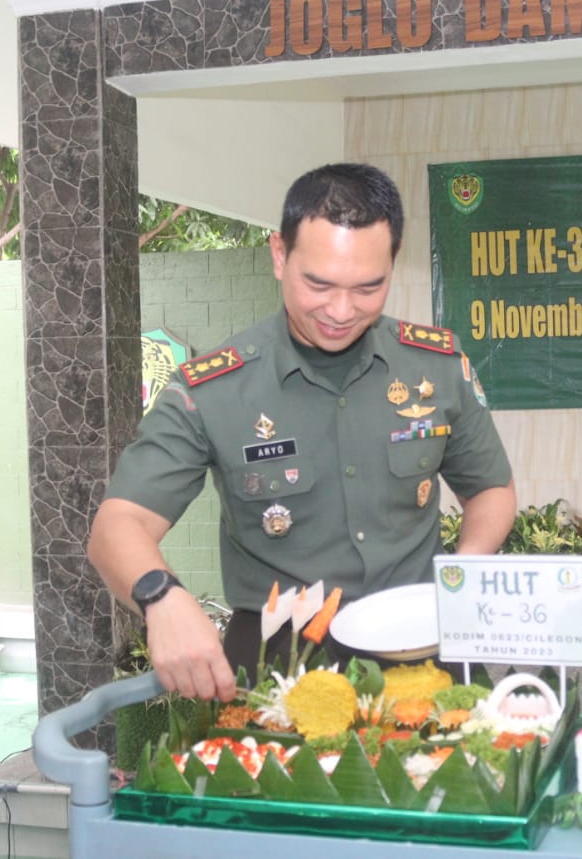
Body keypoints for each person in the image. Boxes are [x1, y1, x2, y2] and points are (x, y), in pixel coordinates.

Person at [88, 163, 516, 702]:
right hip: (279, 666)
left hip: (423, 651)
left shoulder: (436, 366)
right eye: (319, 284)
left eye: (368, 288)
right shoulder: (216, 388)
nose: (341, 311)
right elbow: (117, 525)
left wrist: (461, 575)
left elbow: (491, 489)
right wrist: (162, 599)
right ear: (279, 256)